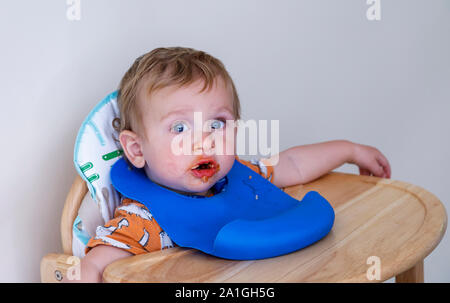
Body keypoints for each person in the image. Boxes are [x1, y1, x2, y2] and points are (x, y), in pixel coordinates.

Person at [65, 47, 391, 282]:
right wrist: (87, 273)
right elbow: (99, 264)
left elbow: (292, 164)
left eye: (217, 124)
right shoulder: (143, 221)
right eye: (180, 128)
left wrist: (350, 150)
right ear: (136, 149)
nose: (204, 141)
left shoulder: (239, 179)